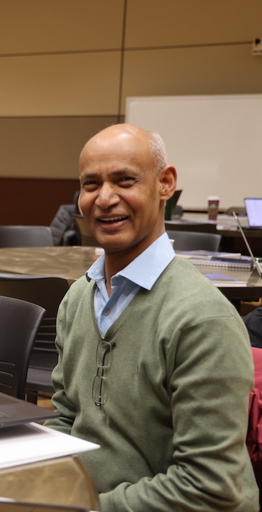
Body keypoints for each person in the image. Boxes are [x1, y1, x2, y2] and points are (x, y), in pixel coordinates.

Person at [44, 123, 259, 510]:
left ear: (165, 184)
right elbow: (66, 416)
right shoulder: (79, 297)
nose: (105, 199)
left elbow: (209, 488)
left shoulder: (203, 319)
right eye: (90, 185)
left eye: (124, 180)